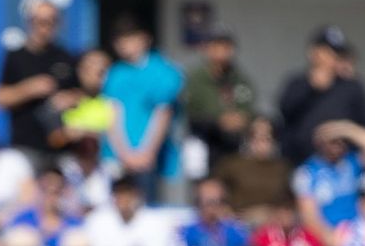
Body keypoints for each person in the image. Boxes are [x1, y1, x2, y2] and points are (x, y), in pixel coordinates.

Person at [102, 17, 182, 198]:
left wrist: (147, 152)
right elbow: (112, 113)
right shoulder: (115, 73)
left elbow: (163, 113)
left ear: (145, 38)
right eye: (119, 39)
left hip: (153, 160)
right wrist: (124, 153)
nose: (124, 44)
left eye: (129, 37)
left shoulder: (163, 71)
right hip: (117, 158)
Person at [0, 0, 79, 161]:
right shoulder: (15, 57)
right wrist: (29, 89)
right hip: (25, 146)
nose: (45, 27)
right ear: (29, 22)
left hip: (61, 147)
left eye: (51, 21)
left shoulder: (66, 57)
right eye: (40, 22)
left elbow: (82, 93)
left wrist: (69, 99)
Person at [278, 26, 365, 164]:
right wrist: (311, 88)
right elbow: (284, 112)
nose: (334, 59)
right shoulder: (297, 83)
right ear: (313, 52)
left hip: (341, 170)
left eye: (338, 54)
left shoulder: (352, 87)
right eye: (329, 53)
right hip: (300, 167)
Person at [293, 118, 365, 236]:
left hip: (358, 236)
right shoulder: (307, 172)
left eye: (341, 140)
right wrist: (333, 242)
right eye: (332, 141)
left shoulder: (353, 162)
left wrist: (348, 130)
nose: (338, 145)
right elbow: (309, 217)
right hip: (327, 240)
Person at [183, 28, 256, 168]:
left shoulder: (239, 79)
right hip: (203, 142)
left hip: (232, 144)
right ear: (207, 49)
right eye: (217, 46)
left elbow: (248, 108)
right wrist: (218, 120)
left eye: (226, 47)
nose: (222, 51)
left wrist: (241, 119)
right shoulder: (196, 79)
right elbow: (191, 112)